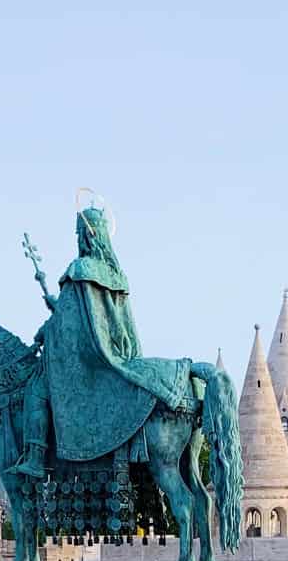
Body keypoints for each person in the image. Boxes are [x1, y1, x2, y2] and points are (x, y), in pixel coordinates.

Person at [10, 203, 193, 478]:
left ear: (86, 235)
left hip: (91, 359)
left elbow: (68, 328)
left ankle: (35, 458)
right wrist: (58, 306)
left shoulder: (80, 269)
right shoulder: (117, 275)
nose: (78, 240)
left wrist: (45, 329)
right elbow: (97, 319)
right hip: (119, 352)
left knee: (37, 390)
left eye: (78, 234)